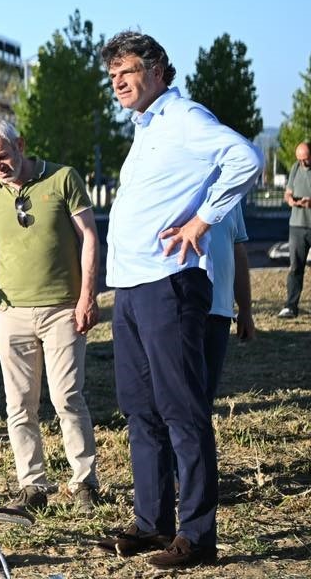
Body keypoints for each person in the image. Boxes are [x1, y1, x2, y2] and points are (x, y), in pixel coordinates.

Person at [96, 31, 261, 570]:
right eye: (113, 73)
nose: (118, 81)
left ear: (158, 70)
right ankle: (151, 524)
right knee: (140, 410)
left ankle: (198, 535)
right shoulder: (144, 129)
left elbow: (245, 158)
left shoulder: (184, 117)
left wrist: (203, 218)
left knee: (181, 411)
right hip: (133, 287)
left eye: (127, 70)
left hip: (170, 283)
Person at [0, 119, 100, 515]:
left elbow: (90, 238)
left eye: (3, 156)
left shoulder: (63, 178)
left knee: (67, 398)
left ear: (20, 144)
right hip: (12, 314)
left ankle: (84, 483)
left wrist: (87, 297)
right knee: (19, 405)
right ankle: (33, 485)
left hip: (63, 309)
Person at [204, 200, 254, 401]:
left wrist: (245, 309)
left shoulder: (231, 191)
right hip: (179, 308)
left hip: (219, 312)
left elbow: (237, 247)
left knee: (206, 393)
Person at [280, 141, 311, 318]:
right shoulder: (295, 168)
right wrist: (290, 199)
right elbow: (287, 192)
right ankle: (291, 306)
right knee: (295, 267)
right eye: (299, 160)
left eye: (305, 160)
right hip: (297, 226)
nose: (302, 163)